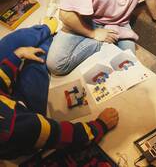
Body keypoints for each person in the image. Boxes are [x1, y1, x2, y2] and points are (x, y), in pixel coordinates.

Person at [0, 19, 119, 159]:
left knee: (28, 53)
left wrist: (17, 55)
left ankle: (48, 32)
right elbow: (63, 135)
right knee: (39, 61)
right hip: (24, 126)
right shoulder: (18, 127)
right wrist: (100, 126)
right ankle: (51, 36)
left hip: (11, 106)